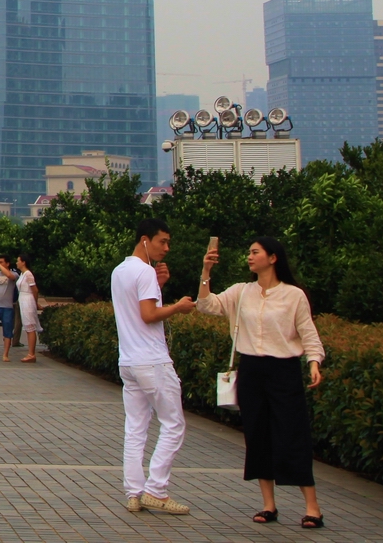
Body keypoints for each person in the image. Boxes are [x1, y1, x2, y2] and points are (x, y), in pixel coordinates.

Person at [197, 237, 326, 528]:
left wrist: (314, 362)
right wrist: (206, 272)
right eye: (249, 252)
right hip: (251, 370)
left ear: (273, 257)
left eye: (255, 252)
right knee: (258, 436)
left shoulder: (293, 295)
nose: (250, 257)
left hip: (284, 371)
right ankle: (269, 505)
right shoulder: (241, 292)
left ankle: (313, 507)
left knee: (293, 435)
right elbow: (206, 305)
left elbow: (308, 332)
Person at [114, 217, 198, 516]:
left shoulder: (120, 270)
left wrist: (159, 286)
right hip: (152, 360)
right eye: (162, 241)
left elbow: (137, 309)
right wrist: (178, 307)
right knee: (173, 424)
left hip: (129, 361)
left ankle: (134, 493)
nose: (166, 248)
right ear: (145, 240)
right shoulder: (145, 271)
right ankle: (156, 489)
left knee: (135, 428)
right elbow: (149, 315)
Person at [15, 255, 42, 362]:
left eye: (18, 261)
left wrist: (35, 303)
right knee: (27, 326)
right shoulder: (22, 274)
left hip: (28, 300)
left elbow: (35, 290)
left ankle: (31, 354)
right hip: (22, 299)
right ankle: (30, 353)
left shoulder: (28, 274)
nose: (16, 263)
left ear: (23, 262)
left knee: (30, 326)